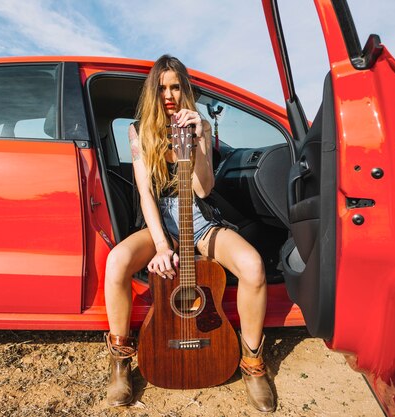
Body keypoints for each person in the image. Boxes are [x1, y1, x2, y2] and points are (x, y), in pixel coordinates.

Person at [103, 55, 276, 412]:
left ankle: (254, 364)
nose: (169, 94)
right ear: (154, 90)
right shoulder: (138, 131)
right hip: (158, 222)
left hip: (196, 217)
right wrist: (162, 247)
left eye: (176, 86)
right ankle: (120, 362)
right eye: (162, 87)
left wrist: (202, 138)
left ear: (185, 90)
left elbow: (203, 188)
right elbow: (145, 193)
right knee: (117, 261)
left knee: (254, 266)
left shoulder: (198, 128)